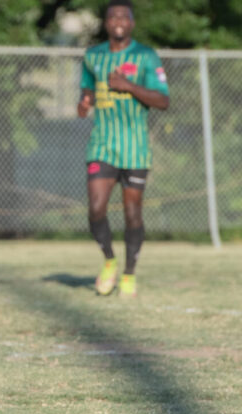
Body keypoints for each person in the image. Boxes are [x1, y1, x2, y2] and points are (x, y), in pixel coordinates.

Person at [78, 0, 170, 298]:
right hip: (102, 145)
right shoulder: (93, 56)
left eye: (124, 16)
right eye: (112, 15)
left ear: (131, 23)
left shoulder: (145, 56)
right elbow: (86, 92)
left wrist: (128, 86)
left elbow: (163, 100)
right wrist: (84, 103)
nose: (118, 20)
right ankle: (109, 261)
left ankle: (129, 273)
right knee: (95, 208)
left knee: (132, 214)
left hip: (135, 149)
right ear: (106, 23)